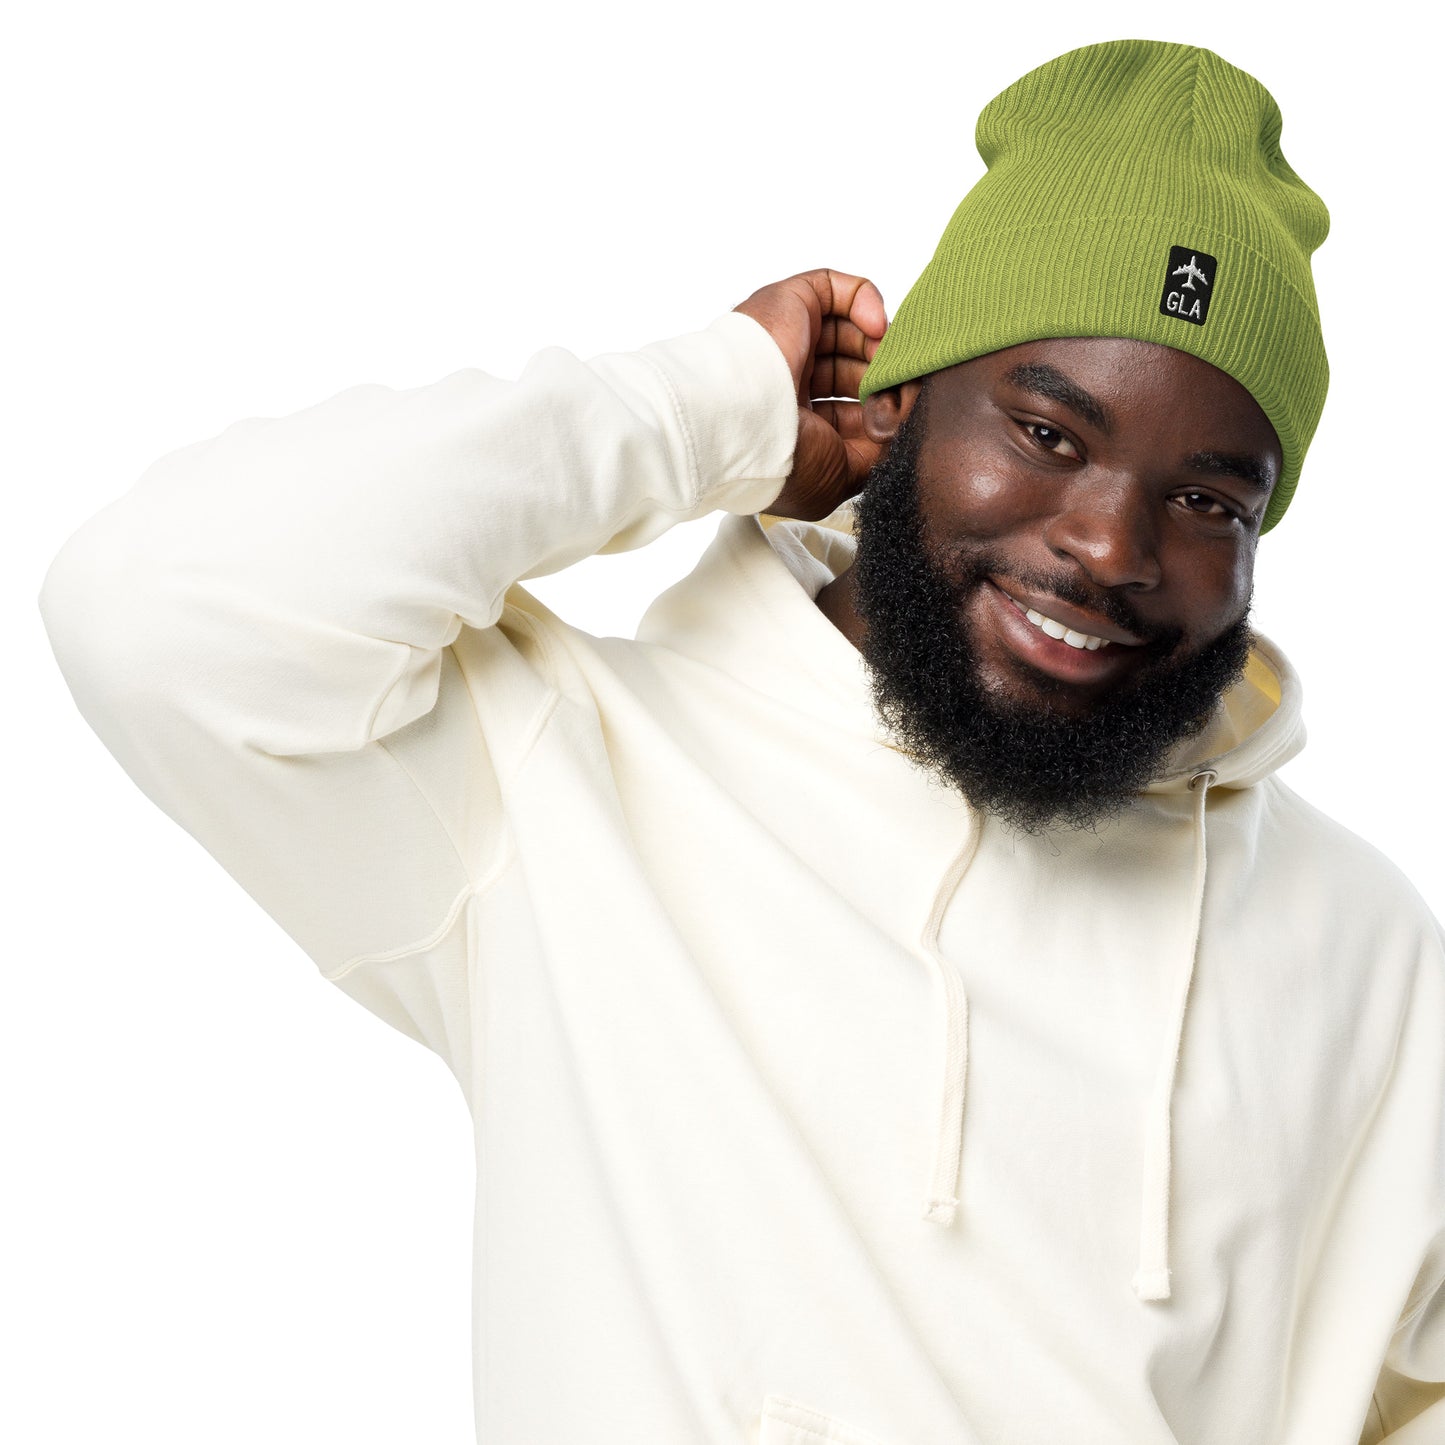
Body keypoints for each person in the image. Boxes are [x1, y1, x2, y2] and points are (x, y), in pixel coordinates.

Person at [37, 38, 1444, 1445]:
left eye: (1208, 502)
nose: (1108, 546)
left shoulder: (1364, 951)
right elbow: (155, 602)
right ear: (895, 403)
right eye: (1045, 433)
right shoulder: (562, 776)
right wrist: (708, 407)